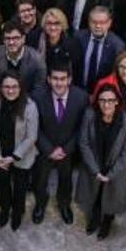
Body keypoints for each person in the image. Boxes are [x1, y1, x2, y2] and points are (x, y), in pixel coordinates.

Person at [31, 63, 88, 225]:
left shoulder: (81, 97)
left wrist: (67, 149)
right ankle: (40, 204)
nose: (59, 83)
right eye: (55, 78)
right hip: (44, 149)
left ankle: (64, 205)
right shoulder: (37, 96)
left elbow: (82, 127)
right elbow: (34, 126)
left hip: (67, 150)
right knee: (40, 180)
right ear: (48, 79)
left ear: (69, 79)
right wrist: (48, 149)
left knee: (66, 180)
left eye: (63, 79)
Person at [77, 83, 126, 239]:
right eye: (102, 100)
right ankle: (95, 217)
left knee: (110, 196)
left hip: (114, 169)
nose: (106, 104)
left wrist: (112, 173)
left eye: (110, 100)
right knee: (95, 194)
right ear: (97, 101)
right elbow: (84, 143)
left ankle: (107, 220)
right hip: (94, 166)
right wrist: (95, 171)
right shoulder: (90, 115)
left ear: (117, 101)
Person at [0, 71, 39, 230]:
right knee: (2, 185)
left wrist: (14, 157)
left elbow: (32, 136)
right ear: (1, 88)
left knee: (20, 188)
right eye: (6, 87)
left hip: (21, 154)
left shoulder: (30, 106)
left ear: (20, 87)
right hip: (0, 154)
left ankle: (17, 212)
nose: (10, 90)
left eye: (14, 86)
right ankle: (5, 209)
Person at [0, 20, 47, 93]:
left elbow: (39, 87)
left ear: (23, 39)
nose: (11, 42)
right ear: (3, 40)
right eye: (8, 38)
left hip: (27, 99)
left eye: (15, 38)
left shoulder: (36, 59)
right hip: (1, 97)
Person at [74, 6, 126, 91]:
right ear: (88, 22)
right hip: (78, 89)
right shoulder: (78, 38)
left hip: (104, 93)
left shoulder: (117, 45)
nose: (98, 26)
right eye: (94, 22)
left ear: (109, 23)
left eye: (102, 22)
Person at [36, 8, 83, 75]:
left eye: (57, 23)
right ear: (44, 25)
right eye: (49, 23)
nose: (53, 27)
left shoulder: (73, 44)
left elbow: (77, 71)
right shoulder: (36, 39)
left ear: (63, 25)